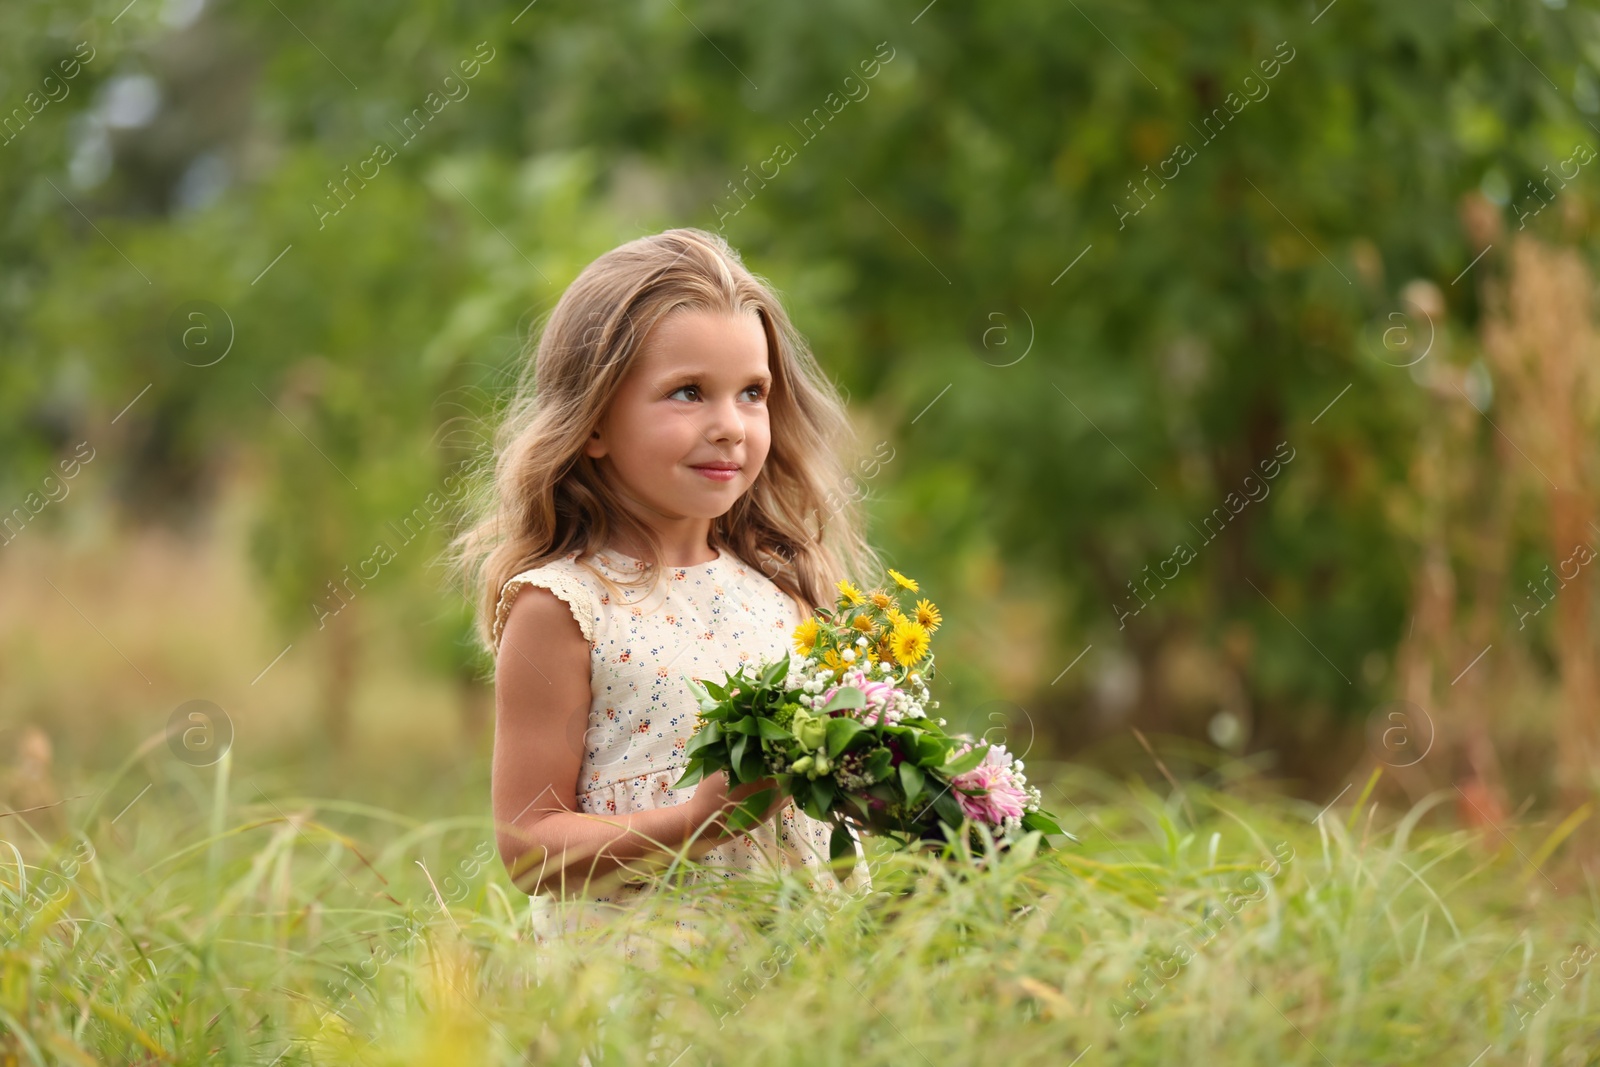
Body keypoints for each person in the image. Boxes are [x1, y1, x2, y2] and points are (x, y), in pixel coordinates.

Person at [453, 227, 878, 961]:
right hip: (645, 988)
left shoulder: (782, 588)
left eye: (753, 393)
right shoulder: (563, 607)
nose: (730, 427)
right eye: (688, 392)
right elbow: (529, 848)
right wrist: (699, 822)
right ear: (593, 424)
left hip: (801, 982)